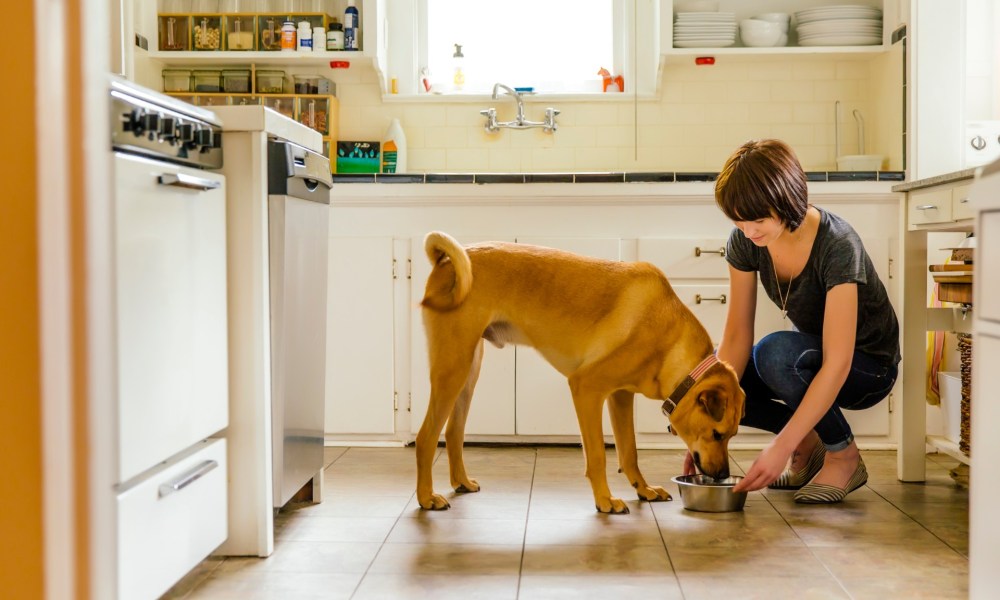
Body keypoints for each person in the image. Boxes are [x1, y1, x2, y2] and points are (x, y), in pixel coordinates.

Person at [691, 138, 900, 503]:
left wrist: (778, 444)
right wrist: (703, 426)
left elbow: (838, 362)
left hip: (867, 369)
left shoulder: (837, 243)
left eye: (757, 220)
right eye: (739, 222)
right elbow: (737, 336)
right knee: (716, 384)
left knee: (774, 354)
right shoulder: (745, 241)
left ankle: (843, 456)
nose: (749, 232)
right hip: (808, 360)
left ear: (787, 202)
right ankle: (808, 443)